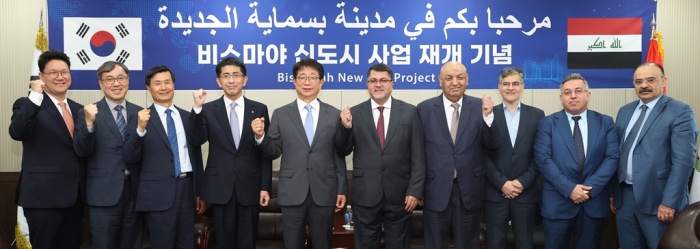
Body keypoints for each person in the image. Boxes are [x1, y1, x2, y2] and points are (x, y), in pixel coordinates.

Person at [252, 58, 347, 249]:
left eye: (313, 77)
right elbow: (274, 152)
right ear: (294, 81)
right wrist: (260, 137)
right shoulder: (280, 114)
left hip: (325, 190)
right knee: (292, 244)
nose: (307, 82)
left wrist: (341, 188)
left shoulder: (335, 114)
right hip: (292, 191)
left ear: (322, 82)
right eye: (301, 77)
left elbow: (339, 154)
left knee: (323, 244)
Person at [338, 63, 425, 248]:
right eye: (373, 81)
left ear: (392, 84)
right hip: (366, 193)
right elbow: (343, 151)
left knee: (399, 244)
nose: (378, 84)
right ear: (367, 84)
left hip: (400, 194)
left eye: (383, 80)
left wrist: (415, 190)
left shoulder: (409, 111)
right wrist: (345, 129)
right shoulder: (355, 113)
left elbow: (418, 154)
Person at [612, 62, 698, 248]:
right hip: (624, 199)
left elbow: (683, 162)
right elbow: (619, 154)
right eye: (638, 81)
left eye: (650, 80)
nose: (644, 85)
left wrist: (669, 202)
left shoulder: (680, 111)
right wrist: (614, 193)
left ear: (663, 80)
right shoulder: (625, 111)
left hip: (659, 201)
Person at [417, 61, 502, 248]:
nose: (455, 82)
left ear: (467, 80)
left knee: (467, 244)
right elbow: (418, 153)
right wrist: (417, 188)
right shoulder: (425, 109)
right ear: (440, 81)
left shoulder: (481, 107)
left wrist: (489, 118)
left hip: (469, 192)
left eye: (460, 77)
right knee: (435, 244)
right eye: (449, 78)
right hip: (435, 191)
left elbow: (493, 145)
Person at [191, 57, 272, 248]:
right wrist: (197, 108)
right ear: (218, 81)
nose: (231, 80)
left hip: (250, 186)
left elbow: (265, 151)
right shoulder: (208, 109)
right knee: (224, 242)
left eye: (236, 75)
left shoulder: (259, 108)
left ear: (245, 80)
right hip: (220, 187)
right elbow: (196, 140)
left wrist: (265, 186)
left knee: (247, 241)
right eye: (226, 76)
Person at [9, 50, 85, 248]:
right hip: (43, 199)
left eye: (65, 72)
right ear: (41, 76)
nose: (60, 77)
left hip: (76, 199)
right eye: (53, 73)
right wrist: (35, 95)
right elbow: (17, 132)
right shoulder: (27, 104)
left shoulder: (79, 109)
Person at [122, 65, 205, 248]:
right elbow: (129, 156)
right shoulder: (140, 118)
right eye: (157, 83)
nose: (163, 87)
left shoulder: (186, 116)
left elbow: (196, 151)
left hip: (186, 189)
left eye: (167, 82)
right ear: (148, 88)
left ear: (174, 85)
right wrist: (140, 129)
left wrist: (199, 191)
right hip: (157, 194)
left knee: (186, 244)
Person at [534, 73, 618, 249]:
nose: (573, 96)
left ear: (588, 95)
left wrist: (588, 190)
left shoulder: (605, 122)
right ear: (561, 97)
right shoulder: (547, 123)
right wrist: (570, 189)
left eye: (578, 91)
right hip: (557, 203)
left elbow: (612, 158)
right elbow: (543, 159)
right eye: (568, 92)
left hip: (593, 203)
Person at [73, 61, 143, 249]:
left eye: (121, 78)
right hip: (103, 195)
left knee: (133, 245)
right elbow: (81, 150)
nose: (116, 83)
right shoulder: (88, 112)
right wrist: (89, 124)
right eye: (109, 79)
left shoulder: (141, 113)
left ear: (128, 81)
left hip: (135, 194)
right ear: (101, 84)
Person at [484, 67, 544, 249]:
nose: (511, 88)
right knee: (495, 243)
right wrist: (502, 183)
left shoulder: (537, 115)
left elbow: (540, 155)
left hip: (525, 194)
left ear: (522, 86)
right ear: (499, 87)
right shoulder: (487, 114)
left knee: (525, 243)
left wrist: (521, 183)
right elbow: (481, 154)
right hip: (495, 193)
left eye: (515, 84)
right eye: (506, 84)